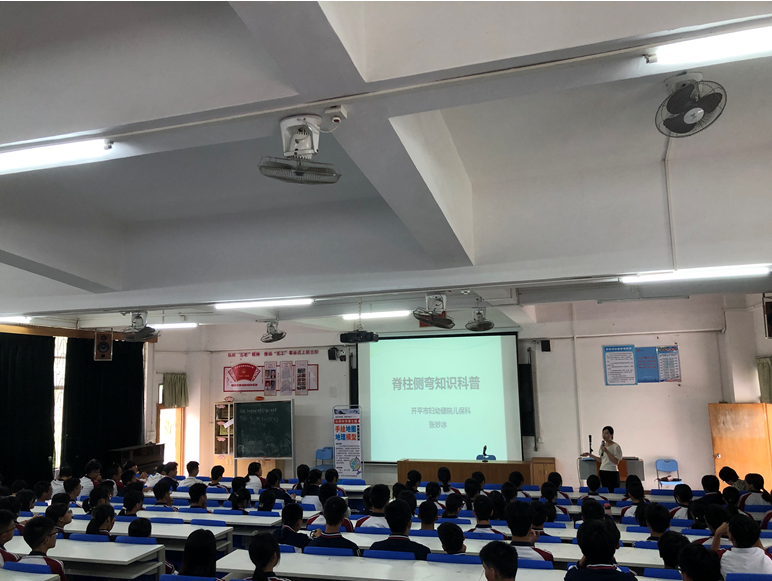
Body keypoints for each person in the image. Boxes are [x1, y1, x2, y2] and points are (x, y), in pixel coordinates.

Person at [566, 519, 633, 581]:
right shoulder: (628, 579)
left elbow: (572, 572)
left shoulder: (573, 577)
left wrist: (580, 564)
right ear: (617, 545)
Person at [19, 517, 66, 581]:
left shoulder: (18, 562)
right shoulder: (55, 565)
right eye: (54, 533)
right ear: (47, 540)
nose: (55, 535)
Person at [581, 426, 623, 490]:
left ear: (611, 435)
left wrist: (606, 451)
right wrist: (590, 454)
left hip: (612, 472)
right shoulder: (602, 446)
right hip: (603, 470)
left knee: (613, 491)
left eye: (606, 433)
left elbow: (616, 461)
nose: (604, 435)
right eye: (603, 433)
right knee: (604, 490)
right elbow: (601, 460)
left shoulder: (616, 446)